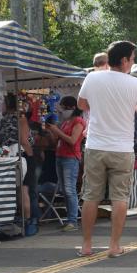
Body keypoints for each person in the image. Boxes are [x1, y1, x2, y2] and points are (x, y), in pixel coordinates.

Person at [77, 41, 137, 257]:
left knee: (90, 196)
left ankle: (86, 245)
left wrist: (101, 106)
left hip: (95, 146)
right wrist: (135, 107)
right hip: (122, 148)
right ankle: (114, 246)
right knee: (119, 198)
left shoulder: (92, 77)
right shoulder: (134, 84)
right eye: (132, 58)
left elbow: (82, 105)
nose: (133, 62)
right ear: (123, 61)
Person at [0, 93, 38, 236]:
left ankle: (19, 220)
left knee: (16, 189)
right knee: (25, 189)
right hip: (22, 154)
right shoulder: (20, 119)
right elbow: (24, 139)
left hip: (7, 155)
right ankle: (28, 221)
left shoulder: (2, 119)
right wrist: (31, 155)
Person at [46, 96, 86, 232]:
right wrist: (52, 132)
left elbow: (73, 140)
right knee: (64, 190)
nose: (62, 110)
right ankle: (70, 219)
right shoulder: (65, 122)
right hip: (60, 156)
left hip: (71, 158)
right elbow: (57, 140)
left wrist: (57, 131)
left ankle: (73, 221)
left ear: (72, 108)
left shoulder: (79, 121)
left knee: (69, 190)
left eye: (64, 107)